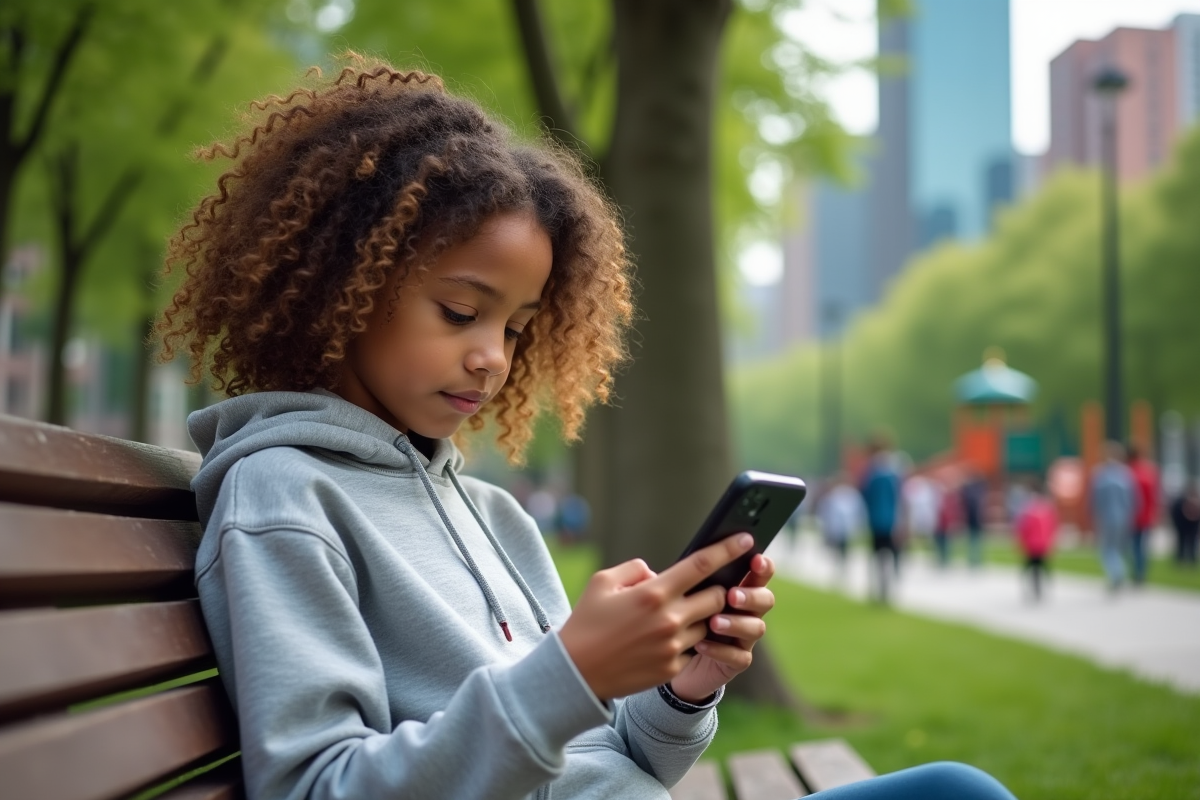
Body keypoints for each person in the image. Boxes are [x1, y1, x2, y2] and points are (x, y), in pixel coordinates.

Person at [157, 57, 1015, 800]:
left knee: (956, 788)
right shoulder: (283, 496)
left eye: (517, 328)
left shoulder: (496, 519)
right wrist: (566, 674)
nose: (492, 357)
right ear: (342, 285)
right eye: (461, 311)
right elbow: (317, 787)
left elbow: (608, 761)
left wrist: (683, 688)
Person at [859, 437, 902, 603]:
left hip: (876, 520)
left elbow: (865, 495)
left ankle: (878, 590)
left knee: (877, 557)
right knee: (889, 556)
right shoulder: (892, 471)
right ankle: (886, 589)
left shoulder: (872, 472)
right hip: (890, 520)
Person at [1090, 442, 1137, 593]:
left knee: (1108, 549)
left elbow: (1095, 500)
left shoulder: (1100, 475)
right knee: (1120, 547)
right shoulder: (1126, 474)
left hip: (1106, 517)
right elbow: (1133, 498)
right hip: (1124, 516)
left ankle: (1116, 573)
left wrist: (1093, 517)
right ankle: (1120, 572)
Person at [817, 473, 866, 583]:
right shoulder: (839, 495)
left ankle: (841, 569)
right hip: (838, 528)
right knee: (838, 550)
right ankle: (838, 569)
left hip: (845, 528)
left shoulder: (852, 495)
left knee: (843, 550)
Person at [1014, 481, 1057, 602]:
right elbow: (1053, 527)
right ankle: (1041, 588)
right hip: (1043, 544)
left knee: (1030, 567)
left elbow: (1023, 528)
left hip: (1032, 545)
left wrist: (1020, 542)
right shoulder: (1047, 508)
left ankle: (1033, 589)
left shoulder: (1027, 509)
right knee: (1042, 567)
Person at [1126, 444, 1160, 586]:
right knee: (1142, 547)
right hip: (1146, 515)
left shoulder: (1128, 473)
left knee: (1133, 547)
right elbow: (1155, 496)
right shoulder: (1149, 472)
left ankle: (1137, 573)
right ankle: (1141, 573)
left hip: (1132, 516)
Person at [959, 470, 988, 568]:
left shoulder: (974, 490)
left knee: (975, 540)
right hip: (973, 519)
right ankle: (974, 559)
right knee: (973, 540)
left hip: (975, 520)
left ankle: (975, 559)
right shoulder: (975, 490)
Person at [1169, 484, 1200, 566]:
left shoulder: (1196, 503)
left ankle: (1192, 560)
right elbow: (1175, 514)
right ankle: (1180, 559)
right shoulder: (1180, 502)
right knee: (1181, 543)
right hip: (1182, 525)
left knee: (1192, 543)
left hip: (1192, 526)